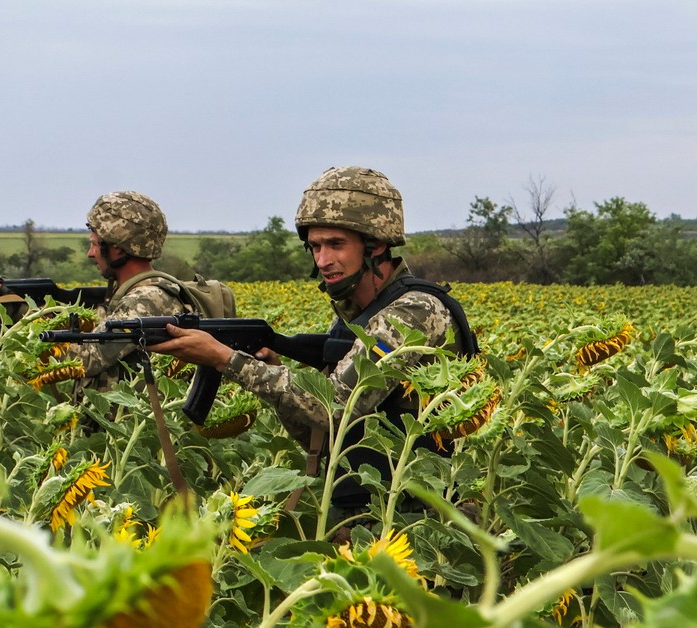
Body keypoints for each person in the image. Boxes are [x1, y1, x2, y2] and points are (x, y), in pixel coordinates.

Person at [146, 166, 465, 513]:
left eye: (336, 245)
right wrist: (271, 370)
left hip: (422, 522)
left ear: (376, 246)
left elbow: (339, 407)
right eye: (315, 246)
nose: (323, 260)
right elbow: (325, 438)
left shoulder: (414, 312)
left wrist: (228, 360)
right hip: (366, 508)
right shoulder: (353, 317)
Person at [63, 190, 188, 390]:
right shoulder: (134, 292)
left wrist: (26, 328)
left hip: (131, 420)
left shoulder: (146, 300)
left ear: (118, 249)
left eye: (94, 244)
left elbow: (86, 359)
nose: (90, 253)